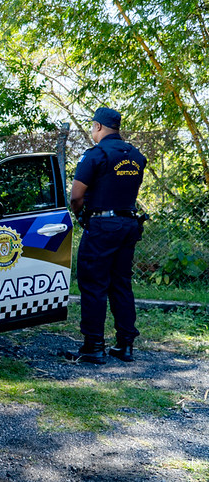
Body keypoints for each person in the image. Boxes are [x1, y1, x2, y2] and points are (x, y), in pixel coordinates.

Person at [65, 107, 147, 364]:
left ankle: (94, 346)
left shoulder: (96, 155)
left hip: (102, 226)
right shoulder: (136, 156)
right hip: (128, 224)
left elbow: (76, 196)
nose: (92, 131)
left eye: (92, 127)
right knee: (121, 283)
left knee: (93, 283)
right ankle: (125, 345)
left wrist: (79, 215)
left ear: (98, 127)